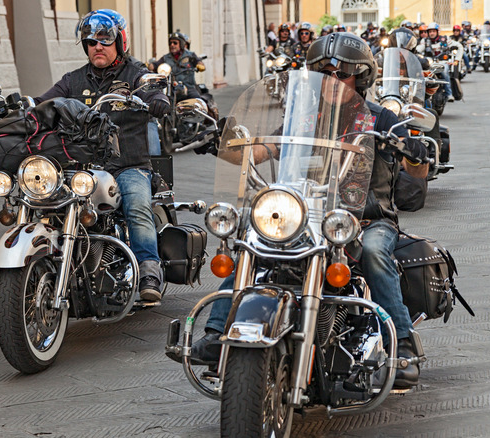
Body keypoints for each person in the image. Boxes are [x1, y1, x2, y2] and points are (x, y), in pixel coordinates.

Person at [179, 32, 428, 389]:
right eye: (324, 72)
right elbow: (262, 150)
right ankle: (218, 333)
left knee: (374, 253)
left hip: (364, 219)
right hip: (305, 214)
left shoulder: (380, 120)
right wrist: (222, 142)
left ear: (360, 77)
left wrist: (415, 152)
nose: (333, 80)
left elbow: (415, 173)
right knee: (254, 241)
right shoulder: (305, 119)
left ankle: (401, 343)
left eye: (342, 73)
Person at [36, 9, 171, 302]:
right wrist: (24, 107)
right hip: (81, 166)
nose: (97, 46)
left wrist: (157, 99)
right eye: (91, 42)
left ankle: (149, 269)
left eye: (104, 40)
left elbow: (153, 89)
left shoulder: (136, 74)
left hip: (127, 165)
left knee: (137, 206)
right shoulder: (73, 80)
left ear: (119, 42)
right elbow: (44, 102)